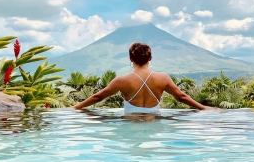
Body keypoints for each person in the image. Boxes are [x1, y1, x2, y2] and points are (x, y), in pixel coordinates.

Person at [70, 42, 217, 113]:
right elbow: (182, 97)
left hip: (130, 125)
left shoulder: (122, 80)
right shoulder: (163, 78)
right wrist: (203, 107)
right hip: (154, 124)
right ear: (150, 58)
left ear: (130, 59)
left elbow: (97, 97)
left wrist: (74, 108)